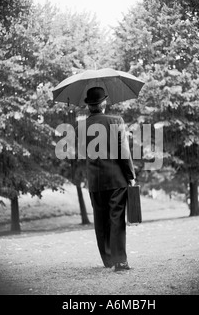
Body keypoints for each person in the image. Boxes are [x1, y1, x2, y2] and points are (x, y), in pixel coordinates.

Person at [78, 87, 136, 272]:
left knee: (100, 220)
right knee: (116, 219)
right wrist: (131, 176)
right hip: (116, 179)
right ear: (103, 103)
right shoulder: (116, 121)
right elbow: (123, 153)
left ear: (88, 105)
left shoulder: (81, 127)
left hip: (95, 181)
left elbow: (82, 154)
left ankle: (108, 259)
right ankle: (120, 261)